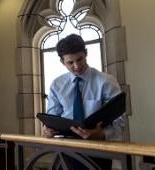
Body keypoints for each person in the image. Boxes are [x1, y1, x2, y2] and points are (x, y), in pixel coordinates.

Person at [43, 34, 125, 168]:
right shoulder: (56, 85)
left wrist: (102, 134)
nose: (76, 66)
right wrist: (48, 130)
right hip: (65, 150)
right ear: (62, 62)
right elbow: (52, 118)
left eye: (80, 59)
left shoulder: (106, 81)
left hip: (98, 150)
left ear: (85, 53)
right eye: (70, 62)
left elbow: (119, 120)